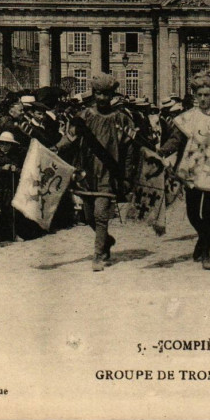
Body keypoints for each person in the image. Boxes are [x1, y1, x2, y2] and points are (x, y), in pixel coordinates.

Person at [159, 72, 210, 270]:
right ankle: (202, 239)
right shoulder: (188, 117)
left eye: (207, 95)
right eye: (199, 95)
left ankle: (206, 254)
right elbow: (176, 140)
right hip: (191, 170)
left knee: (208, 211)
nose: (203, 99)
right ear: (195, 96)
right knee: (193, 213)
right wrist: (162, 150)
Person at [71, 73, 136, 272]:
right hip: (87, 173)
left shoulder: (122, 119)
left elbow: (130, 149)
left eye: (106, 94)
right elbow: (70, 138)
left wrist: (126, 175)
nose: (102, 98)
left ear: (112, 95)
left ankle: (98, 256)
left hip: (109, 173)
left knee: (100, 215)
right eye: (98, 94)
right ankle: (106, 240)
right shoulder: (84, 116)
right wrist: (54, 148)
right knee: (89, 217)